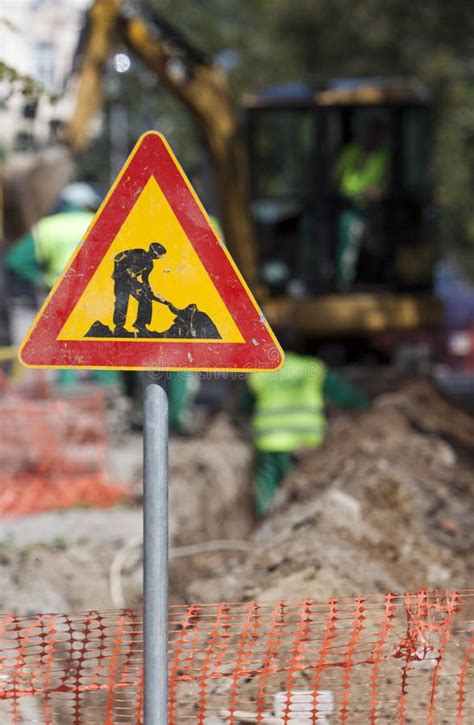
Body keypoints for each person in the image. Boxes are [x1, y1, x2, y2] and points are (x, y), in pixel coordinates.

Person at [7, 182, 119, 387]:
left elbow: (15, 260)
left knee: (66, 344)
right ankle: (108, 389)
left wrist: (38, 278)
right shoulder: (100, 222)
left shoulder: (48, 227)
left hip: (62, 294)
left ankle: (68, 389)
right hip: (98, 293)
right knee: (102, 341)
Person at [246, 349, 368, 516]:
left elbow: (245, 405)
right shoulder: (311, 368)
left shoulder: (261, 369)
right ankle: (294, 520)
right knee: (303, 487)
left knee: (268, 488)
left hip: (270, 440)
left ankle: (264, 522)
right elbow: (343, 394)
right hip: (305, 443)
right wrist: (365, 406)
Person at [333, 118, 389, 286]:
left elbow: (388, 184)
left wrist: (377, 192)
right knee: (347, 244)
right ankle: (344, 282)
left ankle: (373, 278)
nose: (370, 137)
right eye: (367, 133)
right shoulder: (350, 152)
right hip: (348, 206)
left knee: (373, 244)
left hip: (373, 209)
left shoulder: (383, 157)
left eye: (374, 134)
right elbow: (335, 176)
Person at [112, 242, 170, 336]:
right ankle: (119, 327)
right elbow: (117, 257)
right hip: (121, 277)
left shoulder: (150, 265)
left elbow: (144, 278)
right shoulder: (139, 252)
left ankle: (140, 324)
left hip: (131, 281)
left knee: (145, 296)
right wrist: (117, 271)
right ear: (153, 252)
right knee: (122, 301)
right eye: (159, 255)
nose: (159, 257)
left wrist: (148, 288)